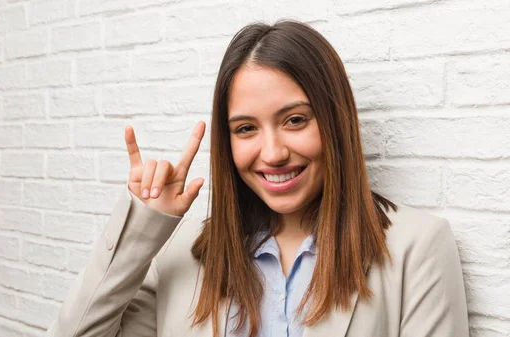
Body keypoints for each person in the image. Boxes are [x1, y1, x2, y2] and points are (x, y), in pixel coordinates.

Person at [46, 20, 469, 337]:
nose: (272, 153)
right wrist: (142, 226)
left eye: (295, 120)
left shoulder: (418, 248)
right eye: (246, 128)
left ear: (336, 120)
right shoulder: (185, 254)